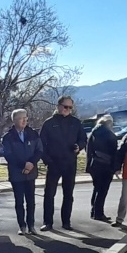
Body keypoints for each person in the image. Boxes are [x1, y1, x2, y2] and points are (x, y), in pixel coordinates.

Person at [39, 95, 86, 231]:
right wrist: (47, 160)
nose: (67, 110)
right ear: (58, 106)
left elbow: (83, 139)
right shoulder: (49, 123)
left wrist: (79, 146)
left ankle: (66, 222)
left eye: (70, 107)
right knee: (49, 194)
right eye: (65, 107)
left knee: (68, 194)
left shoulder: (76, 123)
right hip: (54, 163)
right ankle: (48, 222)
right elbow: (41, 144)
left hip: (70, 163)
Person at [0, 108, 42, 235]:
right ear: (14, 120)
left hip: (31, 173)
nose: (24, 120)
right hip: (16, 174)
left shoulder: (33, 134)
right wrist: (23, 165)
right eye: (21, 118)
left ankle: (31, 225)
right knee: (19, 201)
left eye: (26, 118)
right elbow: (8, 155)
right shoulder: (8, 137)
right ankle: (22, 226)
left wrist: (31, 163)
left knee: (31, 201)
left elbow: (39, 150)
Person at [86, 114, 119, 222]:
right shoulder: (110, 135)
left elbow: (88, 149)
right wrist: (114, 168)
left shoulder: (93, 133)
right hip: (105, 166)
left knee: (96, 188)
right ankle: (98, 213)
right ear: (109, 123)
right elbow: (114, 153)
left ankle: (93, 211)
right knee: (102, 190)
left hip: (94, 164)